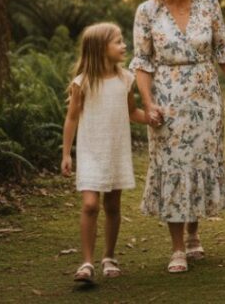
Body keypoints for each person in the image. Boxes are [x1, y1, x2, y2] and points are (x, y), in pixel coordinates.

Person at [130, 0, 225, 274]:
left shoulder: (208, 3)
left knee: (198, 162)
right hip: (167, 99)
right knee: (173, 167)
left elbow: (223, 50)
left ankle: (194, 233)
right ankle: (177, 247)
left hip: (205, 96)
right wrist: (148, 103)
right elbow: (141, 61)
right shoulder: (147, 11)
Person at [61, 23, 150, 283]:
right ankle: (87, 262)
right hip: (90, 151)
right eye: (118, 42)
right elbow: (71, 118)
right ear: (101, 48)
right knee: (90, 205)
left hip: (116, 151)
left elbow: (132, 113)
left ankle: (109, 256)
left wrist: (153, 117)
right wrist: (67, 154)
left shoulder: (126, 79)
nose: (124, 46)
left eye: (123, 41)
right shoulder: (83, 82)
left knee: (112, 205)